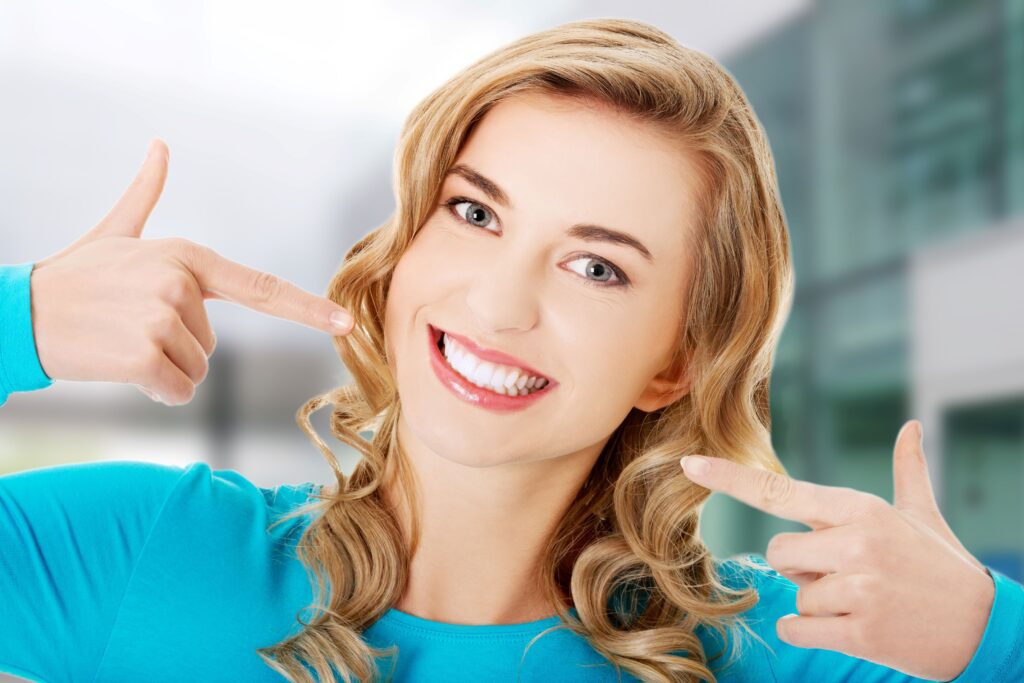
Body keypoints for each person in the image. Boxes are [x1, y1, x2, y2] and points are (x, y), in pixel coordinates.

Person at [1, 17, 1021, 683]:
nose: (497, 299)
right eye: (475, 212)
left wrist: (988, 633)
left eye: (596, 267)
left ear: (673, 362)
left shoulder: (783, 651)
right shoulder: (139, 548)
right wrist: (17, 323)